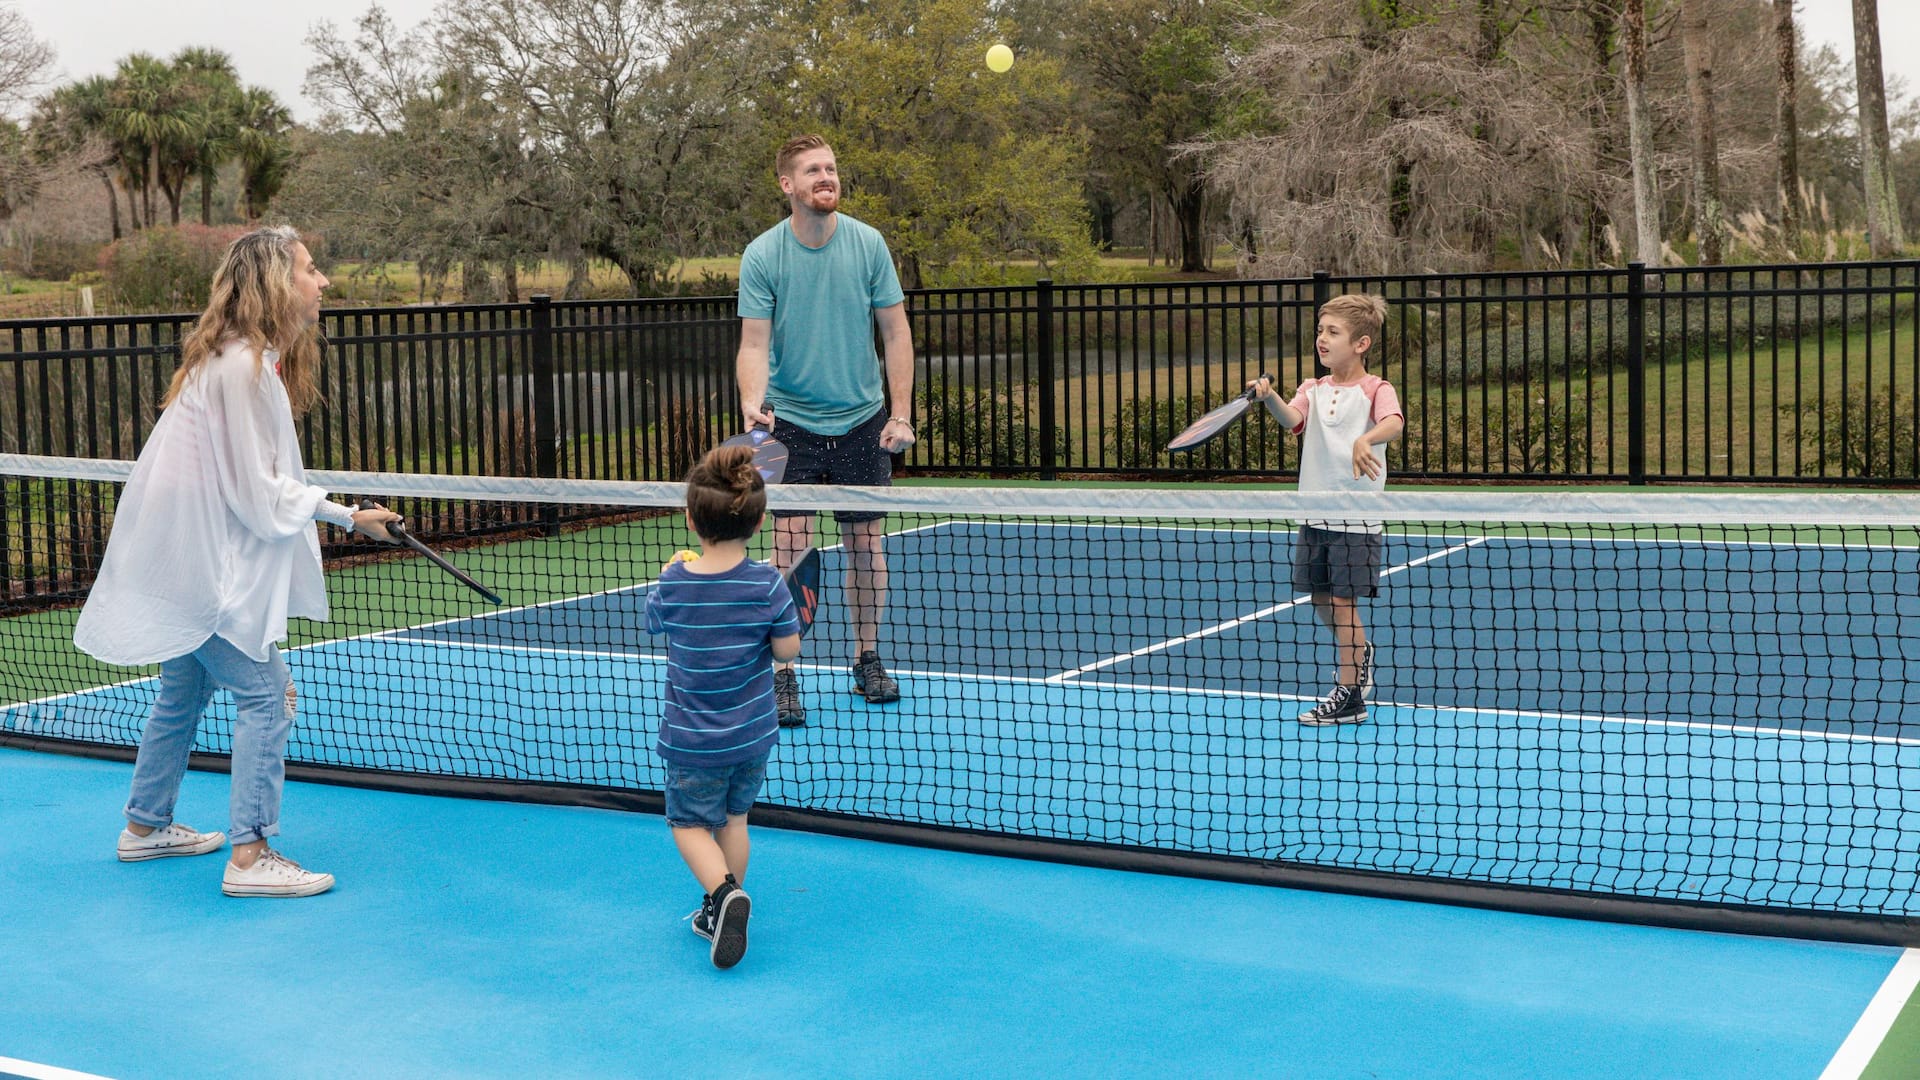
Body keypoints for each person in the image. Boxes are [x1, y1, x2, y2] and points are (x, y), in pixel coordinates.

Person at [72, 225, 400, 897]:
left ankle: (144, 826)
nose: (323, 281)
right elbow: (256, 491)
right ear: (281, 283)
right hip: (202, 575)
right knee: (268, 697)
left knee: (183, 692)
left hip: (180, 567)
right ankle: (251, 856)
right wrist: (345, 514)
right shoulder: (240, 369)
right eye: (311, 270)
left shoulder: (235, 362)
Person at [735, 133, 916, 727]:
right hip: (791, 424)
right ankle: (784, 674)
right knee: (791, 547)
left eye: (832, 168)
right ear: (787, 185)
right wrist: (752, 403)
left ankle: (867, 658)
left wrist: (900, 413)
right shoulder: (763, 255)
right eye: (813, 170)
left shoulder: (869, 245)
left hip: (863, 421)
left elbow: (895, 334)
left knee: (866, 545)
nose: (826, 176)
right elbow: (754, 343)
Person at [647, 444, 802, 969]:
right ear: (758, 523)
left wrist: (672, 571)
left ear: (691, 520)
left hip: (692, 741)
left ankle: (722, 896)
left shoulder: (671, 584)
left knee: (689, 826)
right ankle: (723, 905)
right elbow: (787, 651)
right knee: (734, 821)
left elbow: (655, 623)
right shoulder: (768, 585)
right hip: (752, 737)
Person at [1251, 294, 1404, 725]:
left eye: (1332, 332)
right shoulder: (1312, 389)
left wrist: (1366, 439)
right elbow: (1293, 420)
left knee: (1341, 601)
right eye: (1320, 330)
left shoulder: (1376, 388)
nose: (1322, 339)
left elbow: (1394, 421)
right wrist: (1270, 398)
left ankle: (1350, 693)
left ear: (1361, 343)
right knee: (1320, 597)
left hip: (1355, 516)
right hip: (1314, 512)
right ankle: (1359, 651)